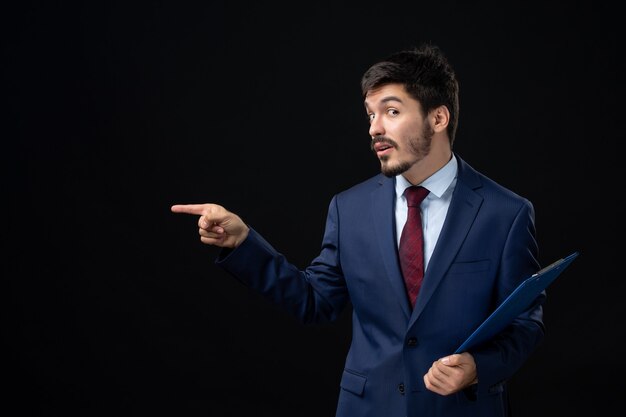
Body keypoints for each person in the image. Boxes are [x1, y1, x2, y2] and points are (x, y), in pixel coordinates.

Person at [171, 43, 544, 417]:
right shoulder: (348, 209)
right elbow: (315, 300)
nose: (375, 128)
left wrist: (478, 367)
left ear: (438, 118)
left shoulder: (505, 213)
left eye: (392, 111)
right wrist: (242, 243)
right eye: (370, 115)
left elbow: (524, 324)